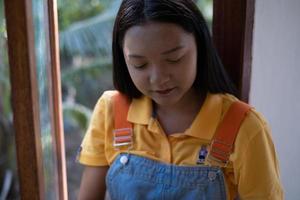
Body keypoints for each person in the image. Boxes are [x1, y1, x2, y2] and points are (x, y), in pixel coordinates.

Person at [77, 0, 284, 199]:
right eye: (140, 65)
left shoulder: (245, 127)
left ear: (200, 47)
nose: (158, 78)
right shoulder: (111, 110)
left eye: (174, 59)